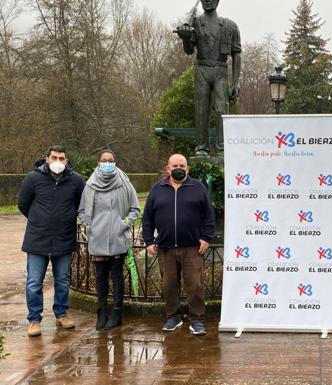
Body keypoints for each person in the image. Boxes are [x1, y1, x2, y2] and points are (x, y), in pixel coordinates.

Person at [142, 154, 215, 335]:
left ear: (187, 169)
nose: (179, 168)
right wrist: (149, 240)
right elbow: (147, 218)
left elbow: (209, 216)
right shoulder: (157, 189)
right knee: (169, 285)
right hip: (165, 248)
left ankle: (196, 320)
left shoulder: (198, 188)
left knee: (195, 285)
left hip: (192, 248)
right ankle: (173, 317)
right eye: (175, 165)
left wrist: (206, 238)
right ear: (168, 168)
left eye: (182, 165)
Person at [18, 145, 85, 337]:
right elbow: (23, 203)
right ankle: (34, 320)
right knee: (33, 281)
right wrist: (39, 220)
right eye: (54, 157)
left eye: (61, 158)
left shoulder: (76, 180)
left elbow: (81, 204)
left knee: (63, 280)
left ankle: (62, 314)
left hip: (64, 238)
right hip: (37, 239)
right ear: (46, 159)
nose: (58, 162)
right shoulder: (33, 178)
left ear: (66, 160)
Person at [78, 150, 141, 330]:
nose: (107, 164)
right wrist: (89, 226)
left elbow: (135, 209)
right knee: (100, 277)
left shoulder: (124, 183)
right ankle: (102, 311)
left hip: (117, 238)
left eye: (110, 160)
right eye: (104, 160)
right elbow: (81, 211)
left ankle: (116, 312)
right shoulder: (90, 185)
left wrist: (124, 224)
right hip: (97, 239)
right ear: (98, 162)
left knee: (117, 276)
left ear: (115, 162)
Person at [176, 0, 241, 155]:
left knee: (222, 109)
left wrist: (236, 82)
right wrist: (185, 38)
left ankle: (222, 147)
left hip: (220, 69)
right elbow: (189, 51)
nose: (207, 1)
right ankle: (201, 147)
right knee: (201, 109)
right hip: (202, 68)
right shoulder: (195, 24)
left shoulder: (230, 26)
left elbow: (236, 54)